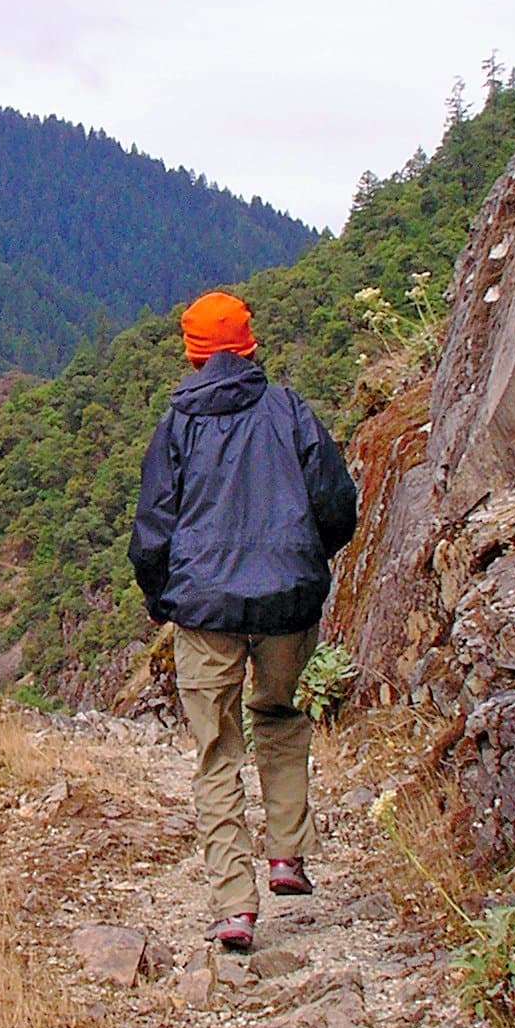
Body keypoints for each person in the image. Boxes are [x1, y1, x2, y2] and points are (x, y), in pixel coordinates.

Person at [128, 289, 357, 953]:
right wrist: (306, 557)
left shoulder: (176, 425)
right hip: (289, 600)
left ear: (192, 352)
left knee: (216, 750)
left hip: (204, 610)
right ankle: (286, 854)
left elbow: (153, 530)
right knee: (281, 718)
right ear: (250, 344)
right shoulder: (288, 410)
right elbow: (337, 501)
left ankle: (234, 905)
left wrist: (161, 596)